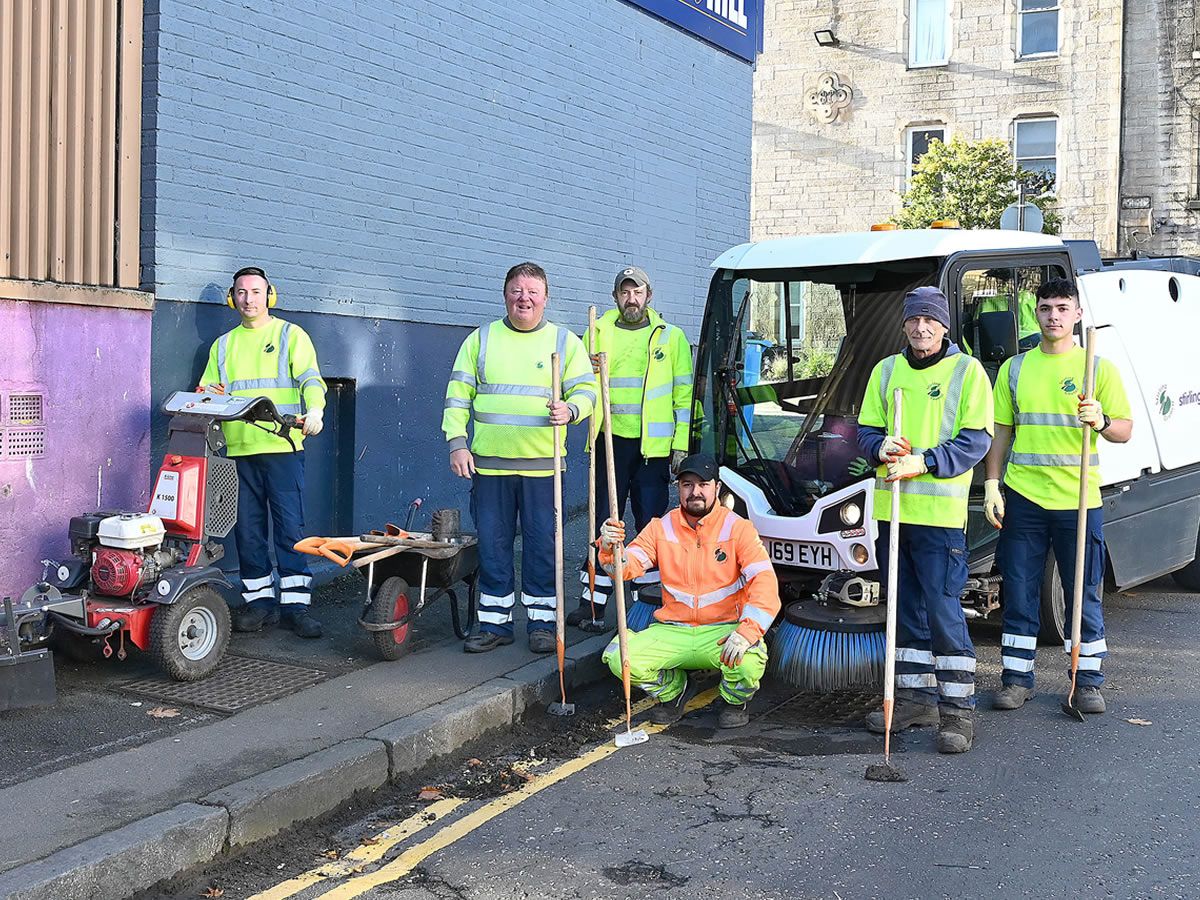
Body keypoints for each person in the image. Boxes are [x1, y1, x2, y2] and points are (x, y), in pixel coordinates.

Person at [983, 279, 1132, 714]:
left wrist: (1102, 420)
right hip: (1025, 499)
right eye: (1046, 308)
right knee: (1020, 589)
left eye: (1063, 308)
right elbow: (1002, 432)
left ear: (1077, 315)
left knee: (1082, 591)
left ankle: (1086, 681)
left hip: (1079, 500)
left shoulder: (1097, 369)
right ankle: (1015, 679)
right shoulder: (1015, 369)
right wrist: (993, 483)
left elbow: (1124, 430)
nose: (1054, 316)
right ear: (1036, 313)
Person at [857, 286, 994, 753]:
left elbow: (976, 440)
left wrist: (925, 461)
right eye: (914, 320)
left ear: (944, 325)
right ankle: (914, 700)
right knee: (902, 609)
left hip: (938, 517)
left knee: (942, 611)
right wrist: (878, 447)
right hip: (890, 515)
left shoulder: (967, 372)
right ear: (905, 325)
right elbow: (865, 431)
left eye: (930, 321)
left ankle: (957, 714)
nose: (921, 328)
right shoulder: (886, 371)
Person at [443, 262, 596, 654]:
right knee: (493, 544)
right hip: (490, 466)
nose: (523, 298)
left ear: (545, 298)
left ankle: (543, 622)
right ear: (505, 294)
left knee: (542, 544)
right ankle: (494, 624)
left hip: (543, 468)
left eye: (532, 291)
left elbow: (587, 390)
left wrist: (572, 410)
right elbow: (458, 395)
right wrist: (457, 442)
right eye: (516, 290)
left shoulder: (564, 342)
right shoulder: (481, 340)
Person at [597, 454, 780, 729]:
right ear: (678, 489)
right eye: (687, 484)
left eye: (703, 484)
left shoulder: (738, 528)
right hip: (674, 630)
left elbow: (765, 582)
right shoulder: (661, 527)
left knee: (749, 661)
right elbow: (627, 567)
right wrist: (610, 549)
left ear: (717, 488)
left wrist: (746, 633)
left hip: (723, 630)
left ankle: (733, 702)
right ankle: (675, 692)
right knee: (618, 658)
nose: (695, 492)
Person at [198, 266, 327, 638]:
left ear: (270, 295)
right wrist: (210, 396)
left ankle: (296, 606)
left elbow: (310, 380)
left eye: (255, 292)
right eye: (241, 292)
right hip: (237, 452)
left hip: (281, 448)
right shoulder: (223, 345)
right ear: (231, 297)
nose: (248, 299)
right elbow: (206, 390)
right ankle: (259, 605)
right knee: (249, 532)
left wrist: (315, 409)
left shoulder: (290, 335)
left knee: (290, 528)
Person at [571, 266, 694, 633]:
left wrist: (681, 446)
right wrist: (587, 368)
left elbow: (683, 396)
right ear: (615, 298)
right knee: (602, 526)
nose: (631, 299)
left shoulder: (670, 338)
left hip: (652, 450)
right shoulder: (597, 332)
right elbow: (577, 384)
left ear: (649, 295)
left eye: (637, 292)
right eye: (624, 293)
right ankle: (592, 605)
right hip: (609, 442)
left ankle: (645, 605)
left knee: (648, 528)